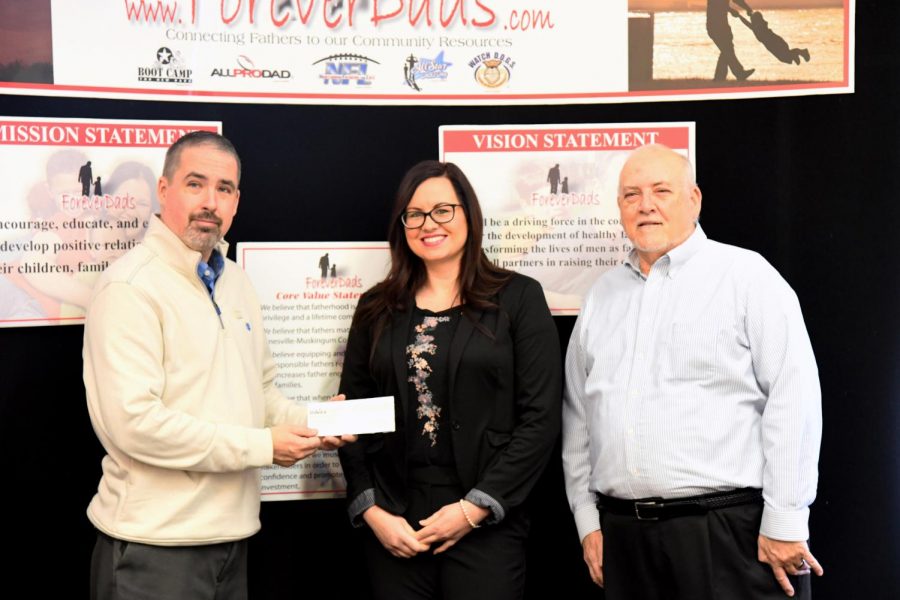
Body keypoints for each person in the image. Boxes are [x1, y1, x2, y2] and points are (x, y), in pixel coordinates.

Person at [83, 131, 354, 600]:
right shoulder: (129, 287)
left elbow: (261, 394)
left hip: (233, 541)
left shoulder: (236, 283)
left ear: (236, 201)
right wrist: (263, 447)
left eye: (224, 189)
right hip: (155, 548)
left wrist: (315, 422)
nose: (211, 201)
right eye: (195, 184)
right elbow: (135, 424)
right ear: (164, 190)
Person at [562, 144, 823, 599]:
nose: (646, 205)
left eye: (661, 190)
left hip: (730, 535)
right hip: (624, 540)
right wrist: (588, 522)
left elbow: (793, 397)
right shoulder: (602, 296)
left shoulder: (746, 276)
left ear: (694, 199)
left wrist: (785, 519)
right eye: (631, 195)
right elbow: (579, 418)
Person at [338, 160, 561, 600]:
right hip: (395, 521)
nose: (428, 224)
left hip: (487, 522)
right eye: (415, 214)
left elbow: (540, 419)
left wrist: (475, 509)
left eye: (443, 210)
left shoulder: (518, 298)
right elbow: (352, 416)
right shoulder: (375, 307)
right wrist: (371, 510)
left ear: (469, 216)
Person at [732, 8, 811, 65]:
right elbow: (749, 21)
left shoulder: (757, 28)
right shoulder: (759, 26)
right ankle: (795, 55)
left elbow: (748, 23)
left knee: (784, 58)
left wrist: (740, 16)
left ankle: (799, 53)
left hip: (774, 44)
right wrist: (743, 15)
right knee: (786, 56)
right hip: (775, 42)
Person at [707, 0, 755, 81]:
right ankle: (738, 73)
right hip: (715, 25)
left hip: (721, 25)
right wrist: (731, 10)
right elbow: (717, 4)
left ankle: (720, 78)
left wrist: (747, 8)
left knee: (726, 50)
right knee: (727, 50)